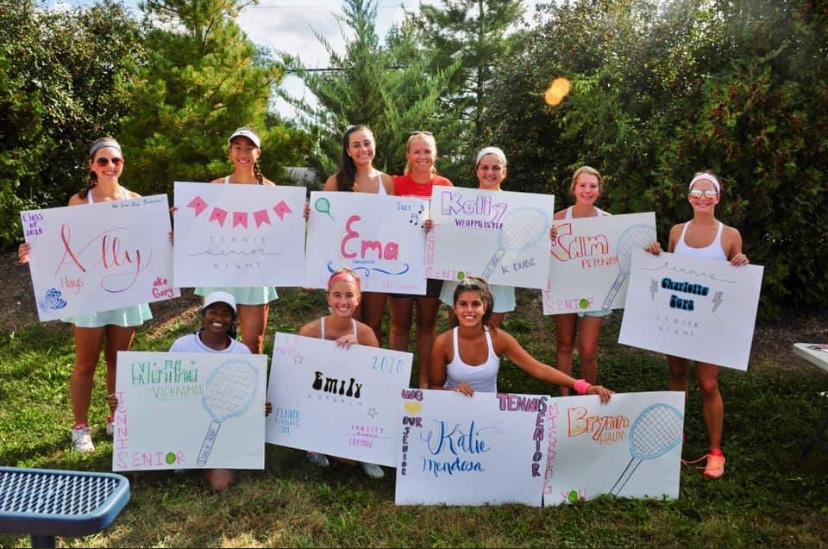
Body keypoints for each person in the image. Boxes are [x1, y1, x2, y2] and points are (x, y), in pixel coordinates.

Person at [18, 137, 153, 453]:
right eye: (103, 161)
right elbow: (62, 244)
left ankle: (114, 419)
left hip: (126, 292)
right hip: (88, 296)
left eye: (115, 161)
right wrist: (32, 251)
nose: (110, 166)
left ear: (122, 164)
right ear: (92, 165)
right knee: (85, 362)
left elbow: (151, 245)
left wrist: (168, 237)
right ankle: (80, 428)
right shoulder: (79, 202)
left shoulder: (137, 200)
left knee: (119, 362)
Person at [644, 171, 750, 480]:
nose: (702, 197)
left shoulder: (730, 235)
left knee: (707, 384)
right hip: (679, 319)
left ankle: (716, 452)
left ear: (717, 197)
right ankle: (675, 437)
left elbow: (735, 280)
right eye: (697, 192)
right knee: (677, 375)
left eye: (709, 192)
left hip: (710, 324)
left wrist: (741, 261)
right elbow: (672, 272)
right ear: (689, 197)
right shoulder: (677, 231)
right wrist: (656, 254)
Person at [429, 276, 613, 402]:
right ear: (454, 308)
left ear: (485, 308)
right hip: (451, 411)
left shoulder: (499, 339)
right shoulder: (443, 343)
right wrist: (451, 393)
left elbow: (538, 369)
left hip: (489, 412)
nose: (469, 310)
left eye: (475, 304)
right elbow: (434, 387)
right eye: (463, 304)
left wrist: (584, 387)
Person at [168, 291, 271, 491]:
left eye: (225, 314)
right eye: (213, 312)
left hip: (223, 435)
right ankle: (185, 456)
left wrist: (260, 407)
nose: (218, 318)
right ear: (203, 315)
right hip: (184, 429)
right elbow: (157, 390)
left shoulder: (241, 352)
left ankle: (201, 462)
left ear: (233, 320)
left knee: (221, 484)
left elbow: (248, 395)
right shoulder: (182, 345)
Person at [194, 127, 276, 355]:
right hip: (220, 271)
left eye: (249, 148)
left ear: (258, 153)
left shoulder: (270, 190)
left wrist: (301, 215)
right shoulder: (215, 187)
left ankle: (251, 389)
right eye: (238, 147)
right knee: (215, 337)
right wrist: (181, 218)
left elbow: (280, 231)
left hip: (254, 273)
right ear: (230, 152)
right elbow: (198, 227)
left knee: (254, 342)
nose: (243, 153)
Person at [298, 268, 386, 479]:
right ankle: (316, 445)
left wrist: (360, 353)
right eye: (337, 295)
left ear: (358, 298)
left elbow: (378, 379)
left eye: (349, 295)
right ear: (328, 297)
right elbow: (295, 375)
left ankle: (360, 447)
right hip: (319, 400)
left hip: (352, 400)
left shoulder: (365, 333)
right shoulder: (310, 331)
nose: (343, 301)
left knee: (352, 459)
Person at [321, 125, 395, 346]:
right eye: (356, 145)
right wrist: (311, 213)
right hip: (344, 264)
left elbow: (396, 223)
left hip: (378, 261)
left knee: (373, 323)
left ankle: (371, 375)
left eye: (367, 143)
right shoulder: (335, 181)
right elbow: (323, 223)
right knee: (347, 321)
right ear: (348, 150)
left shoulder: (387, 181)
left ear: (374, 144)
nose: (363, 149)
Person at [390, 131, 453, 388]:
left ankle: (426, 381)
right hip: (399, 265)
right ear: (408, 155)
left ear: (435, 154)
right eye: (417, 151)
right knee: (399, 326)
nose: (422, 156)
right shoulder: (395, 185)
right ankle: (397, 382)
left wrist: (438, 225)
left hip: (432, 265)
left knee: (427, 326)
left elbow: (454, 227)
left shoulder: (445, 186)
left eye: (427, 151)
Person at [550, 166, 612, 395]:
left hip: (595, 293)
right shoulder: (558, 219)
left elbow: (621, 254)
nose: (587, 190)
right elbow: (543, 253)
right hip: (565, 289)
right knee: (565, 344)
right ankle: (564, 397)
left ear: (599, 190)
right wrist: (547, 238)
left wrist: (648, 248)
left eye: (593, 186)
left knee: (587, 349)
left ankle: (588, 397)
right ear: (574, 188)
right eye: (583, 185)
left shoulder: (608, 221)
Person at [439, 147, 516, 329]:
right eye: (484, 167)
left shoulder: (516, 205)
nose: (490, 172)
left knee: (490, 336)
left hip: (498, 280)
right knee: (458, 333)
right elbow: (445, 234)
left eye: (496, 168)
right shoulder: (459, 202)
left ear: (504, 172)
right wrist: (431, 225)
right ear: (477, 171)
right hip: (461, 278)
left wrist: (547, 235)